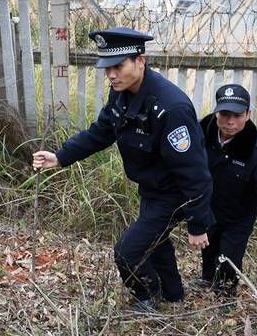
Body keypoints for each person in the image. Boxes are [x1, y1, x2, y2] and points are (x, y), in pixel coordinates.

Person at [32, 27, 214, 311]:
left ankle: (147, 297)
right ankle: (173, 295)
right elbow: (101, 132)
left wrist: (198, 223)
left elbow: (195, 171)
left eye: (118, 66)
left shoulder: (170, 108)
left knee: (127, 252)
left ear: (140, 61)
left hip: (174, 193)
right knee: (156, 242)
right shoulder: (121, 93)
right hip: (151, 187)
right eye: (107, 69)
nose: (111, 75)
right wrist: (60, 157)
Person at [194, 84, 257, 295]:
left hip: (238, 216)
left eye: (237, 115)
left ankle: (226, 296)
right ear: (216, 112)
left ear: (248, 115)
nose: (230, 121)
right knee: (209, 249)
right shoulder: (201, 131)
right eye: (225, 114)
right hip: (209, 207)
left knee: (229, 259)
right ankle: (208, 280)